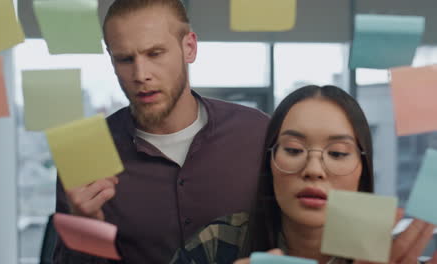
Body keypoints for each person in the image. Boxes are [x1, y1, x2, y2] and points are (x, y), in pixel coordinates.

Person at [53, 0, 269, 263]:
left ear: (189, 47)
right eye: (125, 59)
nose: (141, 74)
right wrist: (85, 227)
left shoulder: (258, 133)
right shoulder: (84, 154)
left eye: (155, 53)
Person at [169, 85, 437, 264]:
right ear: (270, 163)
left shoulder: (392, 257)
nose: (313, 170)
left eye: (338, 154)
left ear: (362, 172)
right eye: (294, 150)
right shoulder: (219, 241)